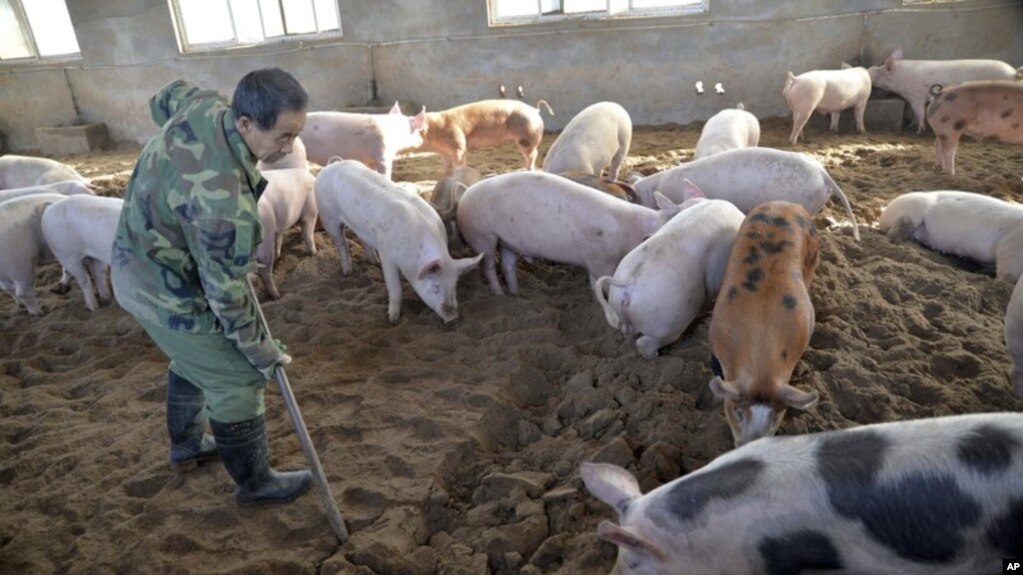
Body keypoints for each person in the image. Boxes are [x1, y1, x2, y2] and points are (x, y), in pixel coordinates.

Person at [111, 68, 311, 505]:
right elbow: (228, 296)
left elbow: (164, 95)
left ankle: (187, 447)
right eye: (281, 136)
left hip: (139, 260)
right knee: (236, 378)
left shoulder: (203, 103)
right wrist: (263, 355)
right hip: (162, 289)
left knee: (198, 358)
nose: (289, 148)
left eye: (296, 134)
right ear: (245, 123)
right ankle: (255, 485)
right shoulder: (224, 204)